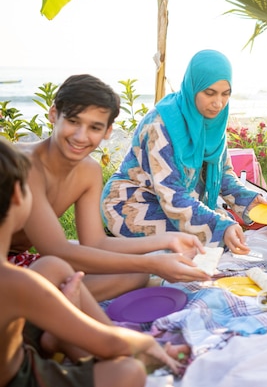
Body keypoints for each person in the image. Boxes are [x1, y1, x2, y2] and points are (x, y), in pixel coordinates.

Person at [0, 138, 184, 387]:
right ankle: (59, 338)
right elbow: (108, 344)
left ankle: (58, 338)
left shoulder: (17, 280)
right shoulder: (16, 283)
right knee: (129, 371)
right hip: (19, 377)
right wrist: (146, 344)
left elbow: (90, 245)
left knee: (51, 267)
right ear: (16, 197)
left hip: (16, 343)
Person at [11, 74, 209, 302]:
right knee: (56, 264)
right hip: (15, 269)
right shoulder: (24, 164)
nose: (80, 136)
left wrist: (167, 240)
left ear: (107, 131)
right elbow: (55, 251)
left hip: (21, 261)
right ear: (54, 114)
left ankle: (50, 309)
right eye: (73, 121)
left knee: (135, 274)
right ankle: (41, 315)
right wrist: (153, 262)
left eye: (94, 127)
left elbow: (95, 243)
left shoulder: (88, 171)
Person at [101, 50, 267, 256]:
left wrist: (249, 199)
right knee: (206, 242)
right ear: (193, 87)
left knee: (226, 233)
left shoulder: (213, 121)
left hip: (175, 202)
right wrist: (219, 226)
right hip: (133, 204)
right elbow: (171, 193)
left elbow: (223, 173)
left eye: (225, 94)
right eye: (210, 93)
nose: (218, 103)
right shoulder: (161, 125)